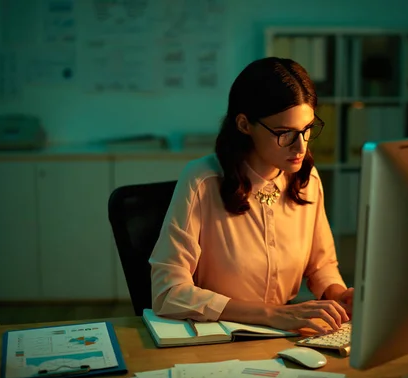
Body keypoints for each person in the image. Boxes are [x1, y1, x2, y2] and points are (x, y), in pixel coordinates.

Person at [150, 57, 354, 334]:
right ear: (245, 125)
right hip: (217, 334)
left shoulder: (307, 179)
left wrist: (337, 294)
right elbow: (168, 293)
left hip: (283, 334)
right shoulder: (202, 181)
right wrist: (271, 314)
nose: (301, 147)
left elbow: (321, 266)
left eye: (307, 130)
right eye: (285, 134)